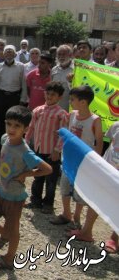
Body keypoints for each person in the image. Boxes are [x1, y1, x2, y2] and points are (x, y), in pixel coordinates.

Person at [0, 105, 52, 270]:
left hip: (15, 197)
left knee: (14, 230)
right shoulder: (5, 138)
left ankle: (9, 258)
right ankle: (4, 234)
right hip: (0, 191)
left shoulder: (25, 151)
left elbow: (47, 169)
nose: (11, 129)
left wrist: (26, 174)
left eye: (17, 126)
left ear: (26, 129)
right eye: (9, 123)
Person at [50, 86, 103, 234]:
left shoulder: (95, 120)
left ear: (83, 102)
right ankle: (66, 213)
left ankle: (77, 218)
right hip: (68, 159)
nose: (71, 101)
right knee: (65, 186)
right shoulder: (72, 114)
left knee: (80, 192)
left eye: (73, 99)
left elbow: (99, 142)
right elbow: (66, 133)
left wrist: (95, 162)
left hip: (84, 163)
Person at [25, 81, 69, 214]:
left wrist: (57, 150)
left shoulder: (61, 114)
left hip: (51, 152)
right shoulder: (38, 110)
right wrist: (25, 142)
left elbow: (63, 134)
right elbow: (31, 127)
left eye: (53, 95)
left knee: (51, 179)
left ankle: (48, 204)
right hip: (38, 149)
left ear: (59, 97)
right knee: (38, 176)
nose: (49, 97)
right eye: (48, 93)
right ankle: (35, 201)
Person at [0, 45, 27, 154]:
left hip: (14, 97)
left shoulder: (21, 67)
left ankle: (13, 147)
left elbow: (24, 84)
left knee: (14, 123)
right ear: (3, 54)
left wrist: (22, 99)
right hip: (1, 96)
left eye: (11, 51)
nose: (8, 53)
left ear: (15, 54)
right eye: (6, 52)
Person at [101, 122, 119, 254]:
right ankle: (86, 230)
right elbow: (110, 144)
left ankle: (114, 236)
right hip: (110, 170)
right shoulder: (115, 125)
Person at [51, 45, 73, 110]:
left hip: (69, 108)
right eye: (59, 54)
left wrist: (70, 81)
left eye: (64, 54)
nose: (61, 57)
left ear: (70, 55)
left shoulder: (75, 70)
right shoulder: (54, 70)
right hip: (55, 107)